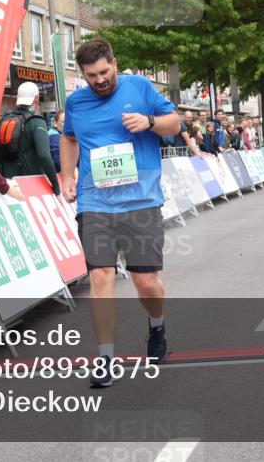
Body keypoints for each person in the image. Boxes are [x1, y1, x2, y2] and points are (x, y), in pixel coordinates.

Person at [60, 39, 180, 386]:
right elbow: (68, 138)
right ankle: (105, 359)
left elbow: (174, 124)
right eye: (91, 75)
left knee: (146, 281)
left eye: (104, 72)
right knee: (101, 276)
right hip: (95, 202)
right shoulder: (77, 102)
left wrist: (149, 121)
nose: (99, 80)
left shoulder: (139, 87)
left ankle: (157, 326)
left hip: (141, 201)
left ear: (114, 63)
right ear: (82, 75)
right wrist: (67, 175)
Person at [0, 82, 60, 195]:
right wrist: (56, 187)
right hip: (31, 185)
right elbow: (44, 155)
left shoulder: (2, 121)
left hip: (8, 186)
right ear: (36, 99)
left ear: (18, 98)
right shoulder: (37, 122)